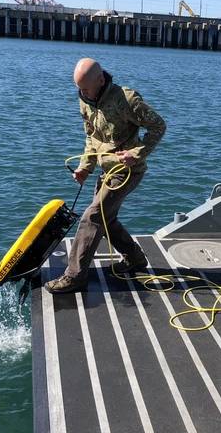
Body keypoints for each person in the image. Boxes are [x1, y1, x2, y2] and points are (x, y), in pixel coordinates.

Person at [45, 58, 166, 294]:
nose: (83, 94)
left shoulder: (127, 100)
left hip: (127, 171)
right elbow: (92, 137)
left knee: (92, 217)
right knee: (106, 219)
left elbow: (158, 127)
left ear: (101, 80)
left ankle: (75, 276)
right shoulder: (85, 99)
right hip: (105, 169)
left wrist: (136, 153)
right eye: (80, 89)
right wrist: (85, 167)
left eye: (87, 89)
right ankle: (135, 259)